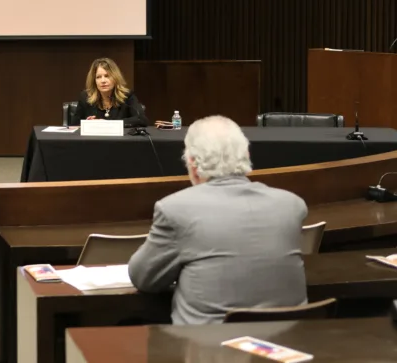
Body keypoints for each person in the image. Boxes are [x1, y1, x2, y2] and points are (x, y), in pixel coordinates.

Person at [127, 115, 308, 324]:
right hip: (289, 346)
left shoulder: (175, 209)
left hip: (208, 349)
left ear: (192, 164)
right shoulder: (292, 205)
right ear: (247, 155)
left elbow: (143, 278)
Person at [68, 57, 148, 127]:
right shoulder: (85, 97)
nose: (103, 81)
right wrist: (87, 124)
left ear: (115, 77)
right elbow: (74, 126)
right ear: (94, 81)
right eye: (98, 77)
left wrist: (108, 124)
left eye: (107, 76)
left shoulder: (127, 96)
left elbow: (141, 119)